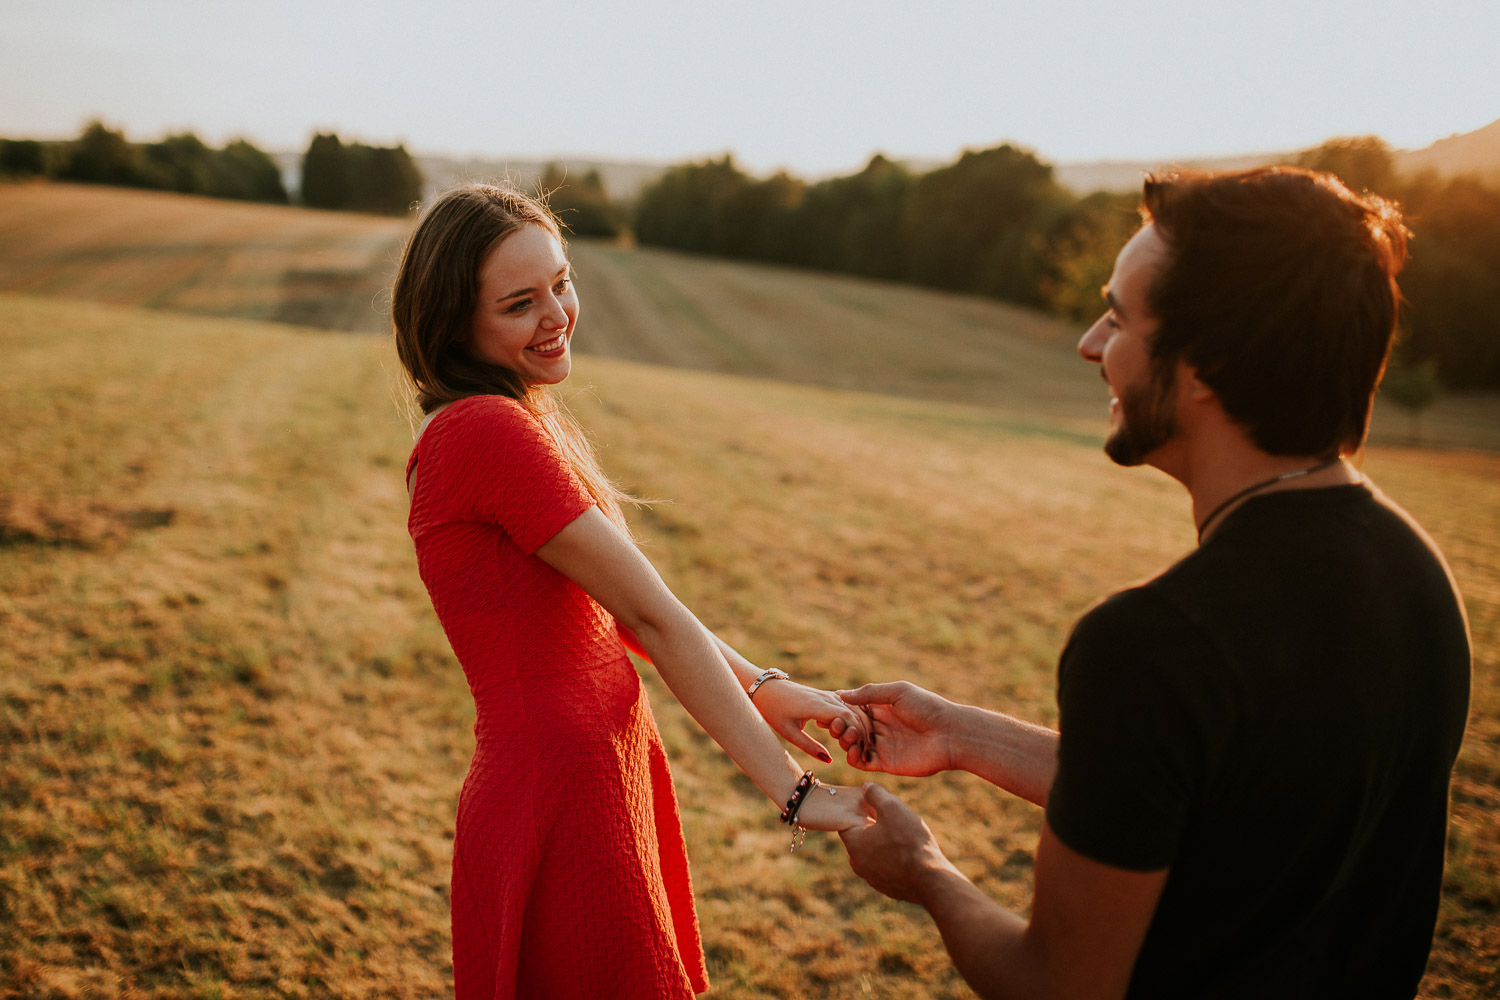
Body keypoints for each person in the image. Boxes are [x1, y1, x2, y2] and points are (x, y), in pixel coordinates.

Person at [832, 167, 1471, 999]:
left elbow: (1060, 986)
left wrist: (923, 870)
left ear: (1210, 363)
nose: (1091, 345)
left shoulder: (1150, 644)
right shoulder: (1419, 578)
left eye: (1118, 318)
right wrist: (964, 738)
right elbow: (1218, 800)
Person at [391, 183, 869, 1000]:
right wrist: (795, 794)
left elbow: (632, 610)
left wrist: (764, 688)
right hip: (558, 795)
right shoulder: (483, 431)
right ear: (455, 323)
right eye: (519, 303)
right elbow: (652, 612)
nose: (557, 315)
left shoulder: (521, 419)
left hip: (596, 773)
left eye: (561, 283)